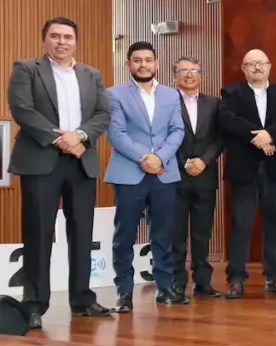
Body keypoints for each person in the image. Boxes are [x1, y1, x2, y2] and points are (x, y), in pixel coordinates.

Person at [6, 17, 113, 328]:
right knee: (38, 231)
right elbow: (22, 109)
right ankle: (35, 304)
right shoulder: (27, 69)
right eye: (55, 36)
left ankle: (82, 299)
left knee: (82, 232)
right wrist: (59, 139)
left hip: (81, 159)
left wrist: (79, 137)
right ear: (45, 41)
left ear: (76, 42)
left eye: (68, 37)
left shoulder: (91, 74)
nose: (62, 42)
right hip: (41, 160)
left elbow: (102, 113)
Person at [105, 41, 188, 311]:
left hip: (165, 173)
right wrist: (146, 158)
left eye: (148, 60)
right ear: (128, 64)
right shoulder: (114, 94)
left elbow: (177, 130)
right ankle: (124, 292)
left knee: (164, 234)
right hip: (130, 173)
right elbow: (116, 134)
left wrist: (160, 158)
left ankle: (165, 288)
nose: (143, 65)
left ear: (157, 64)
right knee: (124, 235)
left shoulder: (171, 95)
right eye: (137, 60)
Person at [219, 49, 276, 299]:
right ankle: (236, 279)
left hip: (275, 167)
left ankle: (275, 276)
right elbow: (227, 119)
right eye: (251, 64)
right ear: (243, 68)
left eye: (261, 63)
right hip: (244, 168)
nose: (257, 68)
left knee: (273, 221)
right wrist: (258, 137)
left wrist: (270, 135)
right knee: (241, 223)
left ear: (269, 66)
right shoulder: (232, 93)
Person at [172, 57, 224, 299]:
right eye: (183, 71)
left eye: (194, 71)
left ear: (201, 76)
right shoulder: (167, 102)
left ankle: (203, 282)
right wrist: (184, 162)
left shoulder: (214, 104)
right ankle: (177, 282)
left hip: (205, 175)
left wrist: (204, 160)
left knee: (202, 232)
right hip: (175, 175)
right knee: (176, 233)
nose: (189, 75)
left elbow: (220, 137)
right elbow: (163, 136)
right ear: (174, 77)